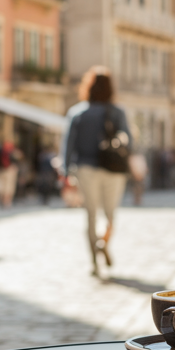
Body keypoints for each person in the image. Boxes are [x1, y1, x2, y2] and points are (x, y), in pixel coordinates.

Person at [64, 73, 131, 275]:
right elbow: (130, 141)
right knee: (109, 214)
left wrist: (66, 172)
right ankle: (104, 242)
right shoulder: (118, 112)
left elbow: (68, 145)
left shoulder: (77, 113)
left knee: (91, 214)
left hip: (85, 168)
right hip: (113, 169)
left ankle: (94, 262)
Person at [0, 139, 21, 208]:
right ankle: (7, 201)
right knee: (9, 186)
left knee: (2, 185)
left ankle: (3, 200)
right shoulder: (12, 151)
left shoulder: (0, 150)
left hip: (1, 170)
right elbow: (19, 158)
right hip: (10, 170)